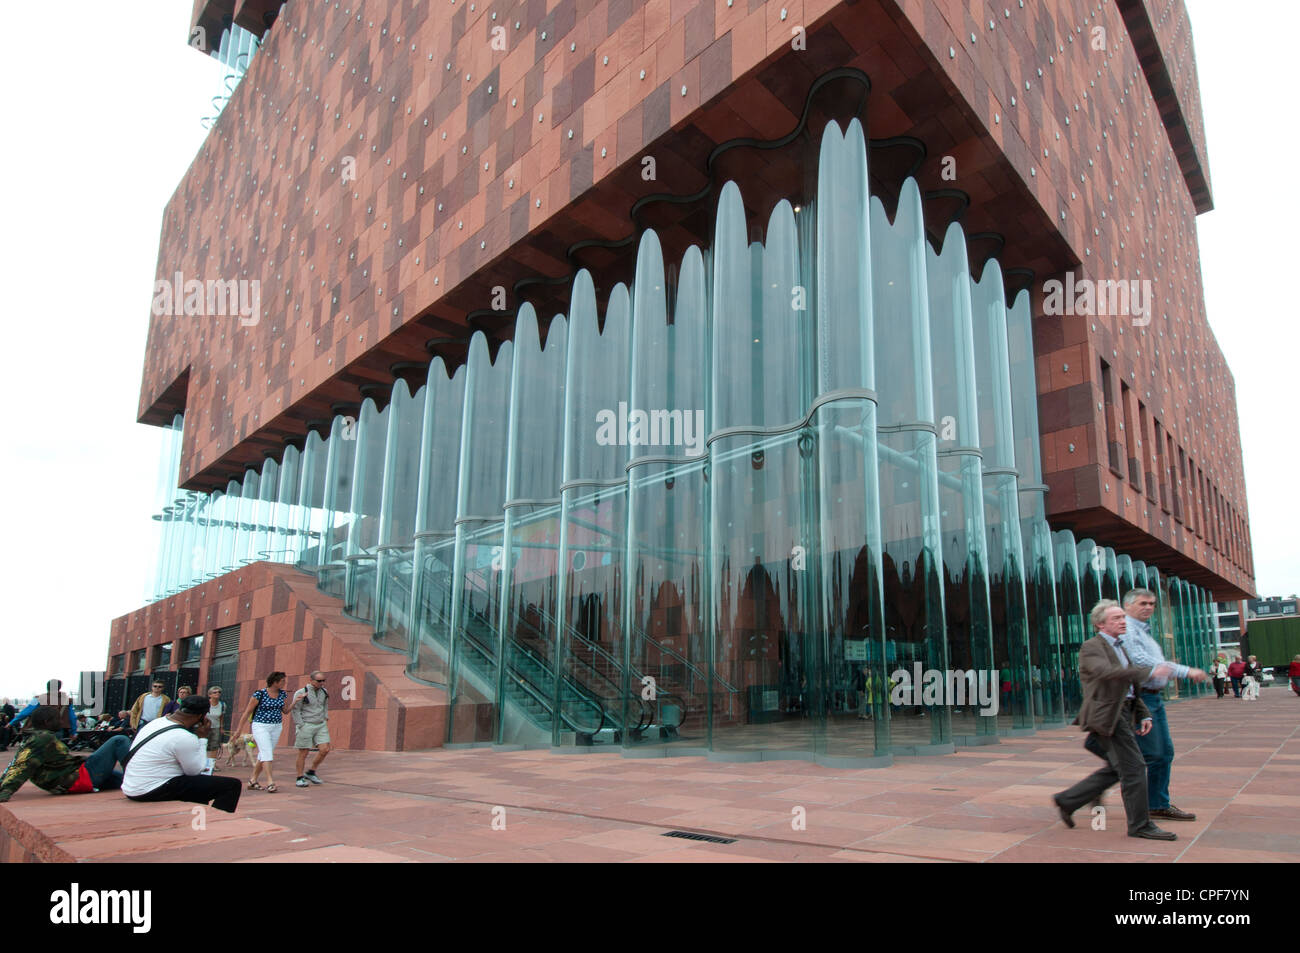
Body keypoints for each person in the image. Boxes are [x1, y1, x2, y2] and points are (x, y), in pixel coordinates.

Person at [1052, 600, 1178, 840]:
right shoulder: (1092, 647)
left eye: (1123, 617)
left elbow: (1127, 687)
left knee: (1119, 767)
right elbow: (1106, 674)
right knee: (1135, 767)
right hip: (1107, 715)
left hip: (1122, 711)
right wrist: (1148, 671)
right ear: (1101, 624)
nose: (1123, 621)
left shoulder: (1120, 646)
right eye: (1116, 618)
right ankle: (1140, 825)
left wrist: (1143, 713)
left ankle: (1067, 800)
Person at [1118, 589, 1208, 823]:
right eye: (1143, 603)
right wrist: (1185, 671)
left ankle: (1157, 803)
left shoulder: (1144, 632)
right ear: (1127, 606)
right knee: (1151, 753)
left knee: (1164, 753)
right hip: (1141, 699)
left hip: (1154, 698)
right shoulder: (1127, 629)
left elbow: (1155, 664)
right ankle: (1141, 806)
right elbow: (1142, 662)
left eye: (1152, 604)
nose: (1148, 607)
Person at [121, 695, 241, 813]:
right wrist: (202, 738)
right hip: (151, 790)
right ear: (201, 716)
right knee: (231, 785)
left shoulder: (155, 723)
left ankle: (195, 816)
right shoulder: (184, 737)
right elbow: (195, 771)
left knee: (199, 785)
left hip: (131, 787)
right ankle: (217, 819)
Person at [0, 707, 131, 804]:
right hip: (79, 778)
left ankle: (136, 779)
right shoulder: (42, 738)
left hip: (75, 775)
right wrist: (5, 791)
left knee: (122, 780)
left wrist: (2, 784)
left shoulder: (32, 738)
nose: (61, 722)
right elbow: (23, 765)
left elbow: (16, 763)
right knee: (119, 740)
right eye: (58, 719)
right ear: (47, 722)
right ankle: (136, 776)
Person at [231, 672, 290, 793]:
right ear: (275, 682)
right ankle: (270, 782)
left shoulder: (282, 694)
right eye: (283, 681)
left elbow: (285, 710)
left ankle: (253, 780)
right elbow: (247, 712)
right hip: (261, 725)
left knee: (264, 753)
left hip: (276, 726)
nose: (284, 683)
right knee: (267, 753)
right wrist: (239, 730)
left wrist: (295, 702)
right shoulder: (260, 694)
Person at [291, 671, 332, 787]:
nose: (322, 683)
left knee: (325, 749)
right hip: (306, 724)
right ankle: (299, 777)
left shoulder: (324, 691)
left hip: (320, 724)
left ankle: (311, 771)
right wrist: (300, 724)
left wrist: (325, 716)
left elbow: (325, 705)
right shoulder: (301, 692)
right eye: (319, 681)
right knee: (304, 752)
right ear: (312, 680)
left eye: (324, 680)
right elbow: (296, 709)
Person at [8, 680, 78, 740]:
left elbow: (26, 712)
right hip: (57, 730)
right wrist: (73, 732)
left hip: (38, 730)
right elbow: (72, 717)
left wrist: (11, 723)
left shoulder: (38, 699)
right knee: (54, 752)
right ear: (59, 688)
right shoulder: (67, 700)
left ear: (47, 687)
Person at [205, 686, 227, 762]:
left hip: (216, 727)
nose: (217, 693)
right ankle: (203, 763)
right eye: (215, 692)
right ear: (209, 695)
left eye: (219, 692)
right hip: (205, 728)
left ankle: (212, 764)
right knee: (204, 745)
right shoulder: (205, 704)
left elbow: (221, 716)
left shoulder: (222, 705)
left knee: (214, 746)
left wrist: (221, 727)